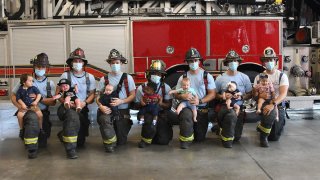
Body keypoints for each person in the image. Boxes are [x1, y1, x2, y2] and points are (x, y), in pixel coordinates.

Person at [11, 53, 56, 158]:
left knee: (42, 143)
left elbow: (53, 102)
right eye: (38, 66)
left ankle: (37, 134)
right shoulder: (25, 80)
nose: (40, 69)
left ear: (47, 68)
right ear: (34, 67)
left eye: (43, 67)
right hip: (28, 111)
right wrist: (20, 107)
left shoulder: (50, 84)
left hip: (42, 112)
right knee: (31, 121)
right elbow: (13, 96)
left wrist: (38, 99)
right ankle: (31, 149)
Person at [56, 47, 96, 159]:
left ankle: (63, 134)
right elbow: (58, 93)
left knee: (80, 142)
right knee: (72, 117)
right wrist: (66, 102)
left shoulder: (90, 77)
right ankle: (70, 150)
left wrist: (84, 103)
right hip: (67, 107)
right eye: (75, 61)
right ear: (71, 63)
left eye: (80, 61)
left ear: (83, 63)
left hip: (82, 107)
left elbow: (92, 94)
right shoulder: (65, 76)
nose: (77, 63)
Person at [174, 48, 216, 149]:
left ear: (199, 61)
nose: (193, 62)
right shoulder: (183, 77)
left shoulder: (206, 76)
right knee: (186, 115)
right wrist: (181, 96)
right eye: (191, 61)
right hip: (187, 107)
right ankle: (185, 140)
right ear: (187, 62)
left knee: (199, 138)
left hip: (201, 109)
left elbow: (212, 94)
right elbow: (176, 94)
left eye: (195, 60)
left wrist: (199, 101)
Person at [96, 49, 136, 153]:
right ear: (109, 64)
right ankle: (109, 144)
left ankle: (116, 136)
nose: (115, 65)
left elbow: (133, 95)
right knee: (104, 120)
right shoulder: (103, 79)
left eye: (117, 62)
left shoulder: (128, 78)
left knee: (121, 141)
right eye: (113, 63)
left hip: (122, 112)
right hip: (107, 110)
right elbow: (98, 96)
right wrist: (100, 106)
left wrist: (121, 101)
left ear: (121, 63)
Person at [215, 50, 252, 148]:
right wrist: (223, 96)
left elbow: (250, 94)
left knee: (236, 137)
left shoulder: (244, 77)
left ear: (239, 62)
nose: (233, 63)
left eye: (235, 60)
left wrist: (242, 96)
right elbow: (214, 95)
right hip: (225, 106)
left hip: (239, 107)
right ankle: (226, 142)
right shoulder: (220, 78)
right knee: (231, 116)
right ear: (227, 63)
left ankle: (221, 128)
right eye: (231, 61)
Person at [254, 47, 289, 147]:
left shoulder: (281, 76)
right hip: (264, 102)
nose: (268, 62)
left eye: (271, 60)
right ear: (263, 62)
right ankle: (263, 137)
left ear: (275, 61)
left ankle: (262, 126)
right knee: (270, 113)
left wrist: (273, 104)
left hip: (277, 103)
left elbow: (283, 94)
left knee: (274, 137)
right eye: (266, 60)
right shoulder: (259, 76)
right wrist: (259, 94)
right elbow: (254, 95)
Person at [135, 59, 173, 148]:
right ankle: (145, 139)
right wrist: (142, 103)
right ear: (149, 74)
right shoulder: (142, 88)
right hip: (147, 113)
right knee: (149, 122)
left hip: (160, 114)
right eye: (153, 73)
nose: (156, 76)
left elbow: (169, 105)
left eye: (158, 74)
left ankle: (157, 133)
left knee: (163, 141)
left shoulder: (166, 88)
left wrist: (160, 103)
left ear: (162, 76)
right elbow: (135, 105)